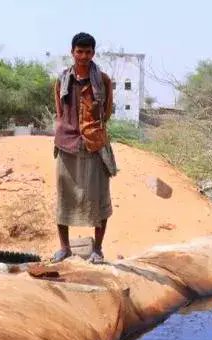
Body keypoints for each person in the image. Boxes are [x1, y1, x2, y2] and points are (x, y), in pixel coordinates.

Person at [52, 32, 117, 264]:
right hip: (67, 144)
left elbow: (106, 113)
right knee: (64, 197)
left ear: (93, 53)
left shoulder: (104, 80)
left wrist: (90, 129)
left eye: (88, 52)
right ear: (72, 52)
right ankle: (64, 248)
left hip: (94, 144)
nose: (83, 56)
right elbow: (60, 111)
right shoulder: (62, 80)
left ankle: (97, 249)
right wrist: (69, 129)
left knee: (99, 198)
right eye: (79, 51)